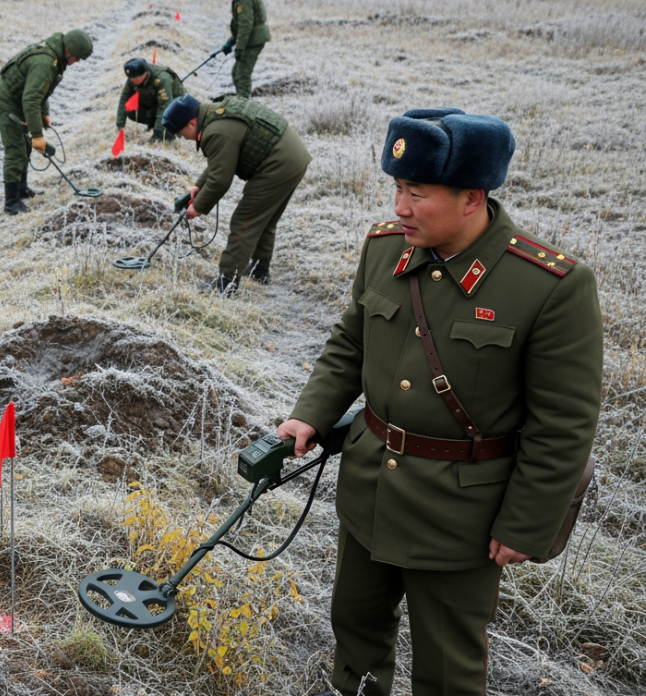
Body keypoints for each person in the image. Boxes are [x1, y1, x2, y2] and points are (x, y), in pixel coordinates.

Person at [277, 109, 602, 696]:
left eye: (416, 193)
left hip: (463, 516)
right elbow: (353, 339)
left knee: (447, 664)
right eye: (397, 188)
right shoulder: (384, 249)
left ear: (472, 197)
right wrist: (311, 411)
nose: (398, 207)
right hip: (370, 485)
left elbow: (565, 424)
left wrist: (525, 522)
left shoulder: (549, 286)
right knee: (355, 625)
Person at [162, 93, 310, 291]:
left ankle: (226, 283)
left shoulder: (215, 131)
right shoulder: (216, 115)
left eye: (181, 133)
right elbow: (222, 161)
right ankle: (259, 271)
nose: (184, 138)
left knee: (244, 221)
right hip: (292, 157)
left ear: (191, 123)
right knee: (265, 219)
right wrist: (199, 186)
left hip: (277, 163)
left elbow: (220, 180)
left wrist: (198, 207)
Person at [0, 29, 94, 215]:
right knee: (16, 148)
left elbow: (40, 90)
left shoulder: (55, 56)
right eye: (77, 58)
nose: (76, 62)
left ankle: (22, 188)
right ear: (69, 50)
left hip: (19, 98)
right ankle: (11, 202)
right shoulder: (46, 62)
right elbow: (31, 99)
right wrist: (37, 135)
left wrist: (44, 113)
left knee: (25, 146)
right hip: (7, 100)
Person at [115, 58, 186, 142]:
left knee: (166, 132)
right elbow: (124, 98)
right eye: (130, 79)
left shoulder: (162, 78)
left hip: (175, 109)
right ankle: (156, 124)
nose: (131, 81)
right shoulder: (133, 77)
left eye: (134, 79)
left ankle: (169, 131)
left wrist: (158, 134)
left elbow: (165, 107)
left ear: (144, 74)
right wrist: (120, 126)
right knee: (131, 111)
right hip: (155, 104)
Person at [217, 0, 271, 97]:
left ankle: (244, 105)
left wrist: (239, 48)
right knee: (236, 72)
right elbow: (243, 26)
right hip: (252, 39)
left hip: (254, 40)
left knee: (242, 76)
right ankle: (243, 101)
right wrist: (231, 42)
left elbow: (246, 26)